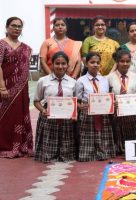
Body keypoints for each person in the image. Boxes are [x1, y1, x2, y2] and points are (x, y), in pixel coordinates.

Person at [33, 51, 76, 162]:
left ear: (67, 65)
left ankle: (65, 154)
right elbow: (36, 101)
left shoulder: (73, 82)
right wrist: (43, 110)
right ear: (52, 64)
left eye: (63, 63)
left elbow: (76, 101)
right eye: (57, 63)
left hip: (67, 119)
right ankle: (48, 154)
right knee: (47, 155)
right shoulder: (43, 81)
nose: (60, 66)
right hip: (48, 117)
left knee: (67, 151)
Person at [0, 17, 33, 158]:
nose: (17, 29)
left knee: (19, 116)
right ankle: (5, 145)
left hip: (21, 89)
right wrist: (2, 87)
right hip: (5, 87)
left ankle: (21, 145)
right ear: (7, 27)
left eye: (19, 26)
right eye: (13, 26)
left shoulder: (26, 48)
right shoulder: (1, 45)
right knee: (5, 117)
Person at [75, 52, 116, 161]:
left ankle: (103, 153)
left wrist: (112, 104)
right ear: (86, 63)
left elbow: (107, 96)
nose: (95, 65)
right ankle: (87, 155)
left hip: (103, 114)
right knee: (88, 136)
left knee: (102, 135)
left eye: (97, 62)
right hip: (87, 114)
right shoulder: (81, 81)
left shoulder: (104, 80)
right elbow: (77, 100)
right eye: (92, 62)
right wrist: (80, 106)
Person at [108, 49, 136, 152]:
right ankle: (118, 149)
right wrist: (112, 103)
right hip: (116, 113)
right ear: (117, 62)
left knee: (133, 136)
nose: (125, 64)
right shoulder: (109, 78)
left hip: (132, 114)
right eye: (122, 61)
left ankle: (132, 151)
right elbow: (107, 96)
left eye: (127, 61)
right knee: (117, 133)